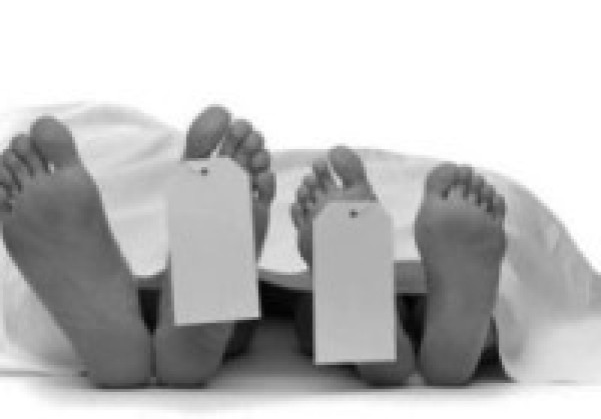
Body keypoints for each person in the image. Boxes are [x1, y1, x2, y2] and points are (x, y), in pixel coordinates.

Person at [0, 105, 506, 388]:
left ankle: (138, 326)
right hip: (376, 262)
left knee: (238, 306)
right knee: (333, 301)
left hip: (211, 271)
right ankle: (444, 331)